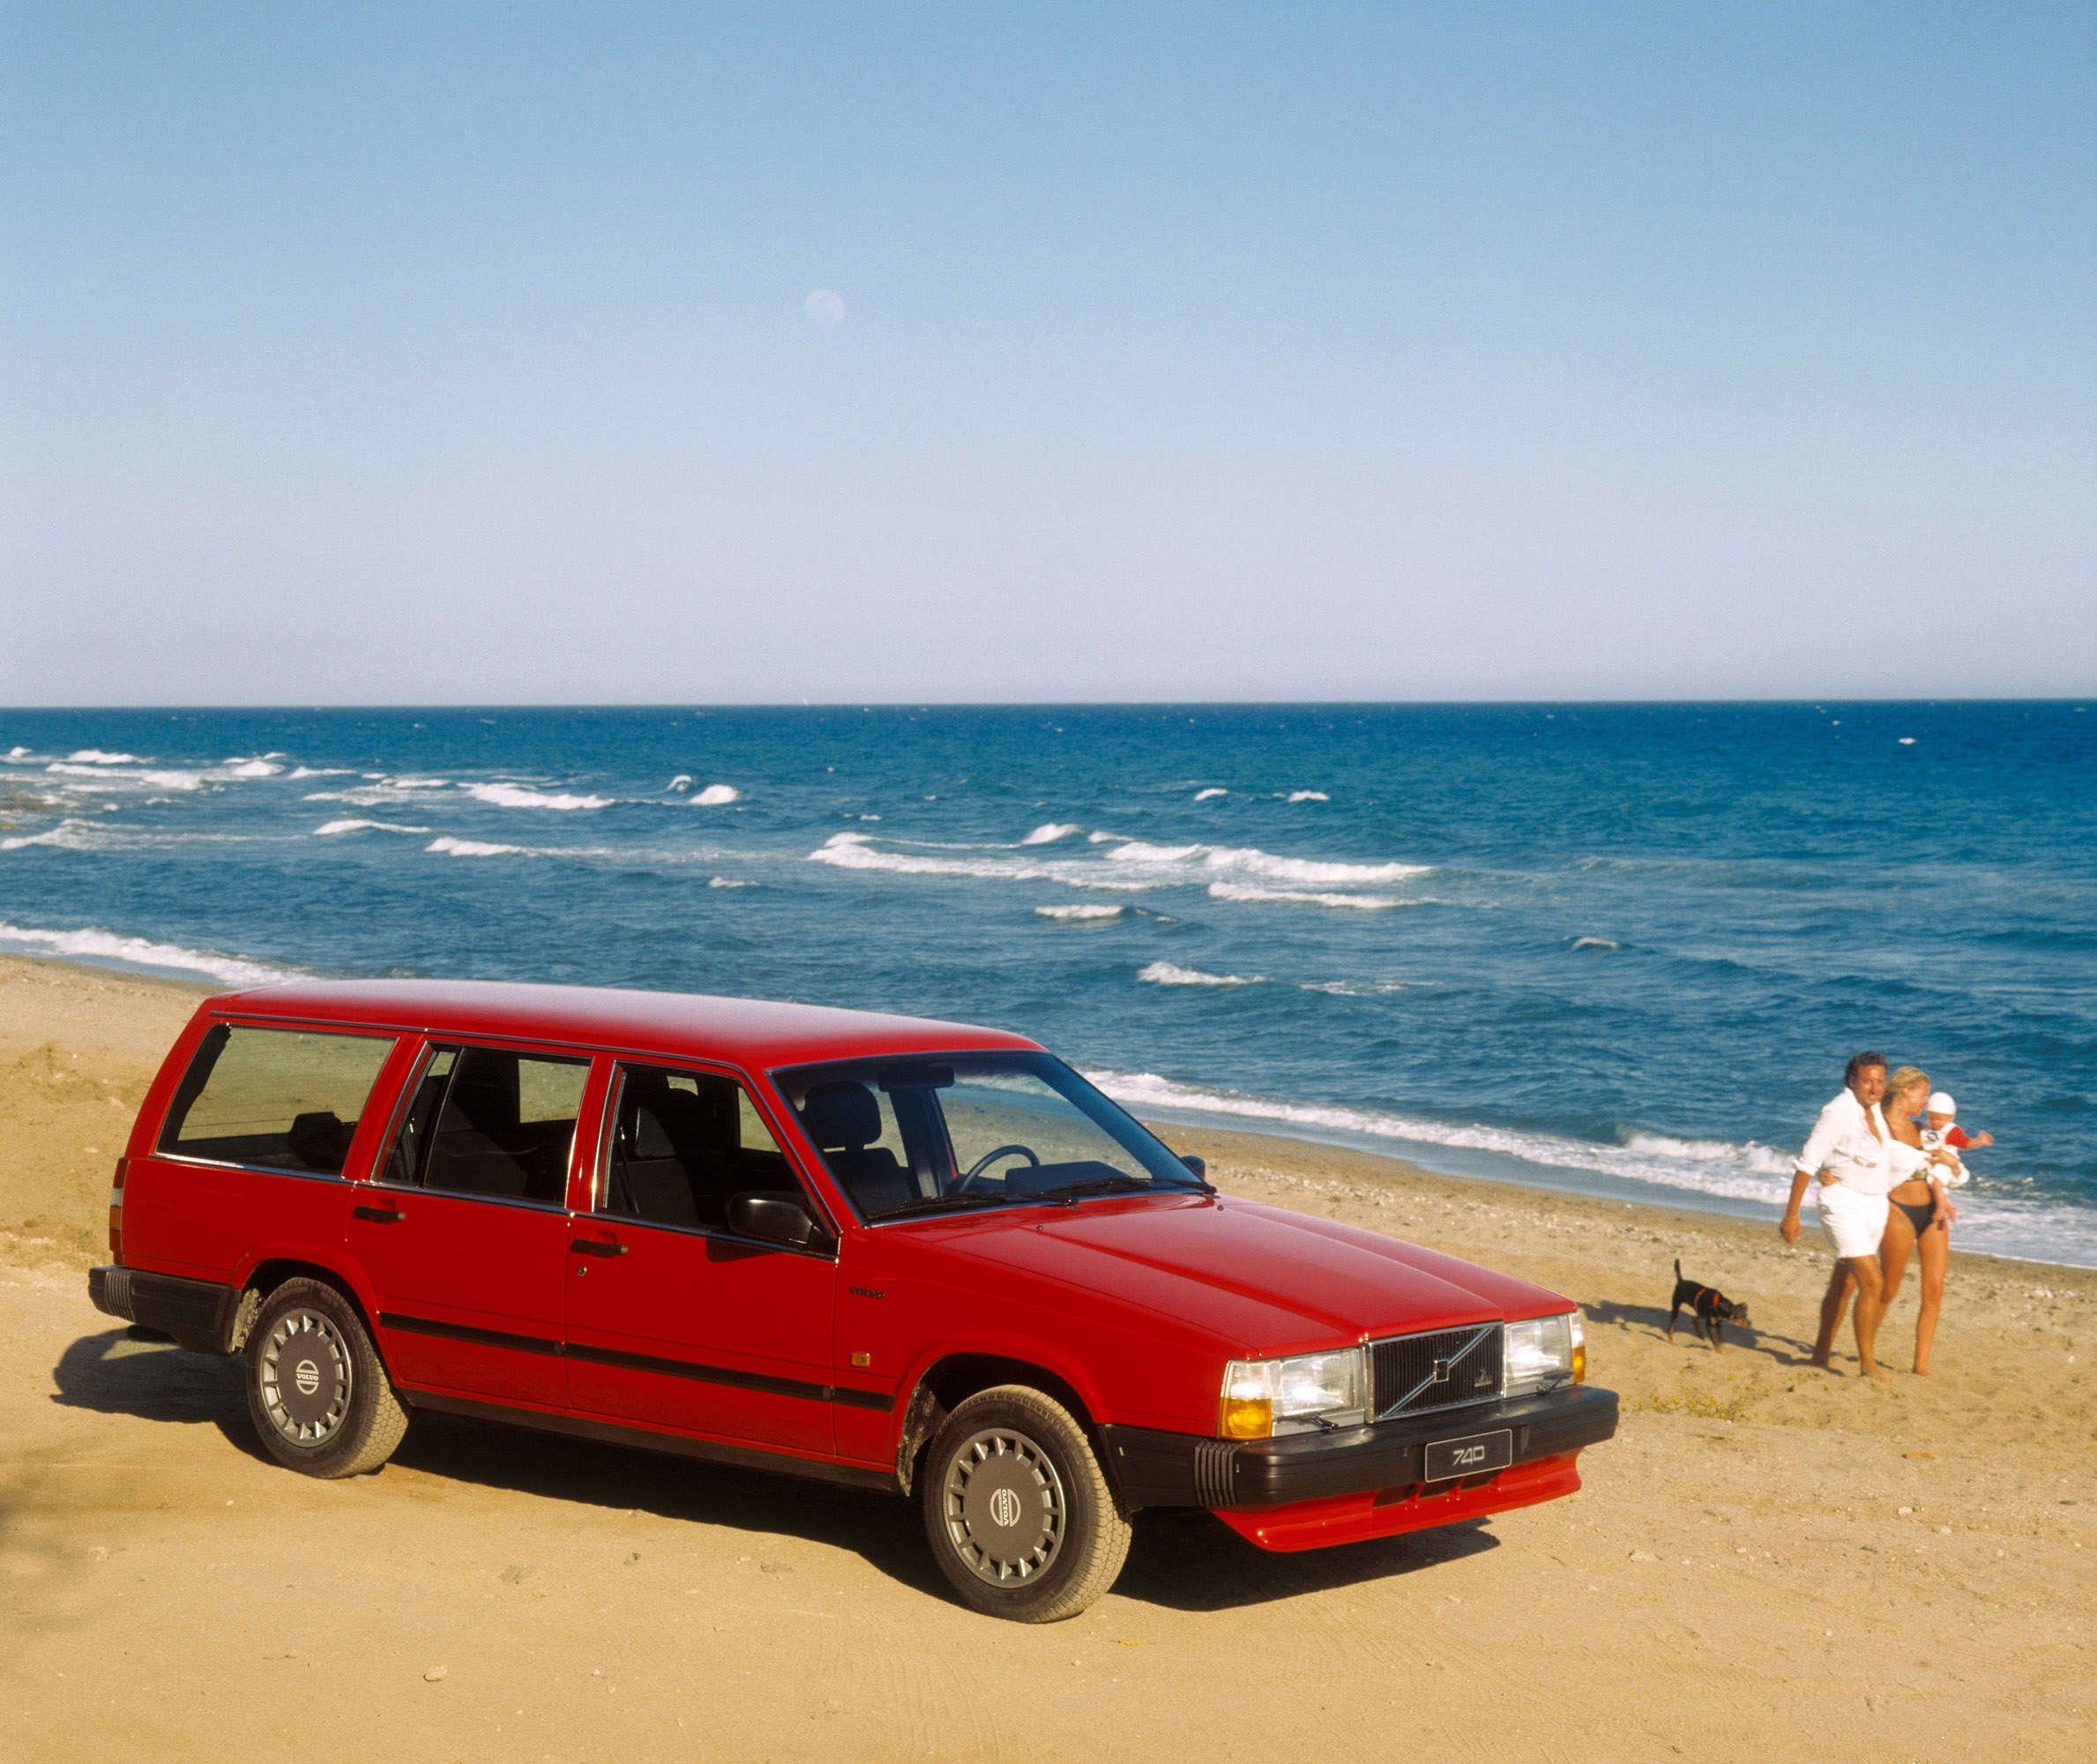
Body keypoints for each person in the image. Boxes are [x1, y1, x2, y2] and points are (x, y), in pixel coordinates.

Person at [1781, 1051, 1895, 1381]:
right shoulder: (1837, 1112)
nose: (1874, 1088)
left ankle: (1819, 1355)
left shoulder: (1874, 1108)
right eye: (1867, 1081)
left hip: (1874, 1205)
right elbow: (1808, 1162)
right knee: (1873, 1282)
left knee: (1843, 1284)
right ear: (1852, 1081)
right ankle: (1868, 1365)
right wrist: (1791, 1215)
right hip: (1842, 1205)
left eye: (1880, 1081)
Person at [1880, 1076, 1978, 1376]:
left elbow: (1958, 1174)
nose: (1926, 1104)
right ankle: (1867, 1354)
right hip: (1898, 1208)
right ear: (1905, 1093)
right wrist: (1831, 1175)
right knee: (1888, 1289)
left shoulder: (1926, 1131)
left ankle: (1920, 1363)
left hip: (1933, 1211)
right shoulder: (1884, 1128)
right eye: (1923, 1096)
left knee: (1934, 1292)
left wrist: (1953, 1164)